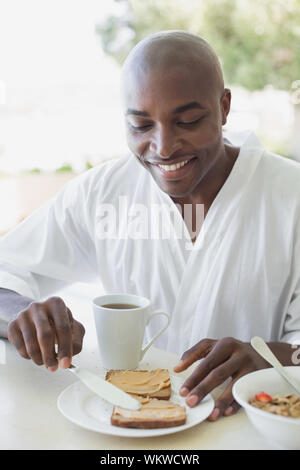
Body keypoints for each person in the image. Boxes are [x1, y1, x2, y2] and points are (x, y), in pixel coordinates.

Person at [0, 30, 300, 421]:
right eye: (141, 126)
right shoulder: (102, 193)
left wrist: (270, 356)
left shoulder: (290, 196)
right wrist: (23, 313)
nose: (163, 147)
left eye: (188, 121)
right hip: (129, 434)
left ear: (224, 107)